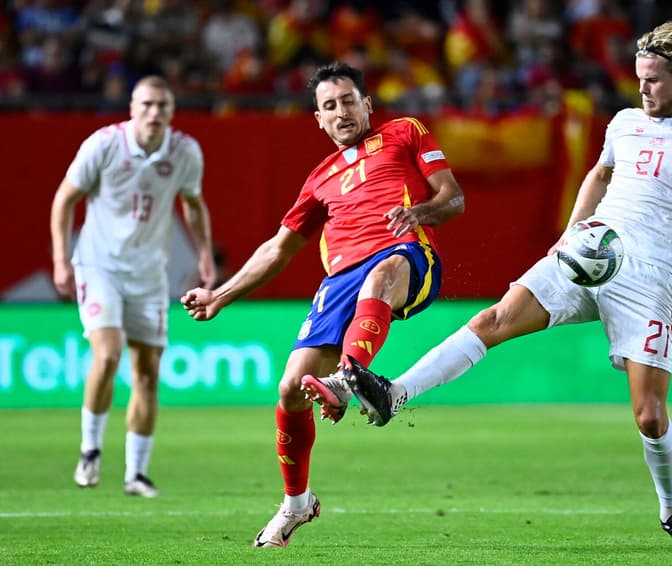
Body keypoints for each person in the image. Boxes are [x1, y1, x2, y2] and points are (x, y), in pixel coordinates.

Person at [309, 21, 672, 549]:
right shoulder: (625, 121)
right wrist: (569, 235)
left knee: (650, 416)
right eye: (639, 79)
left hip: (648, 278)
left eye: (654, 80)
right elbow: (599, 176)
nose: (644, 89)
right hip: (587, 253)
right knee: (492, 319)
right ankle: (395, 393)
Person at [180, 61, 464, 547]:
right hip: (339, 281)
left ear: (367, 104)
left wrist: (418, 211)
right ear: (318, 118)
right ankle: (296, 504)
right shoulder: (319, 178)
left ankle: (347, 378)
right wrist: (221, 294)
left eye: (349, 100)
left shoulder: (405, 132)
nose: (341, 111)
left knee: (381, 276)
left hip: (405, 253)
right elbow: (279, 247)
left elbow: (453, 198)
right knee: (290, 388)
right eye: (329, 106)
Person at [50, 75, 216, 497]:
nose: (154, 113)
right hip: (99, 265)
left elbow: (194, 206)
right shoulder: (104, 145)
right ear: (131, 107)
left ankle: (135, 474)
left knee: (147, 376)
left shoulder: (184, 152)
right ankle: (90, 451)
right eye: (147, 104)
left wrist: (203, 255)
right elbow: (64, 199)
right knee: (107, 356)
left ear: (172, 111)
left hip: (149, 274)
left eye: (162, 105)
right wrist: (59, 259)